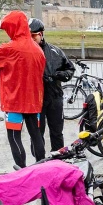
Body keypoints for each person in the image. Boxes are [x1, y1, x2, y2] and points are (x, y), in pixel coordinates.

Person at [0, 11, 46, 169]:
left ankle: (21, 170)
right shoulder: (38, 50)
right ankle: (41, 167)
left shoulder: (10, 48)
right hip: (33, 101)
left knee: (14, 136)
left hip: (14, 101)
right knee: (36, 135)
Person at [28, 18, 75, 153]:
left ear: (41, 34)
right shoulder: (26, 53)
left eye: (33, 36)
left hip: (54, 97)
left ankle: (58, 158)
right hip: (36, 100)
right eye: (28, 36)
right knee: (37, 133)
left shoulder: (55, 51)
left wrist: (59, 75)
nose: (31, 39)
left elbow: (70, 69)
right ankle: (39, 159)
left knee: (57, 132)